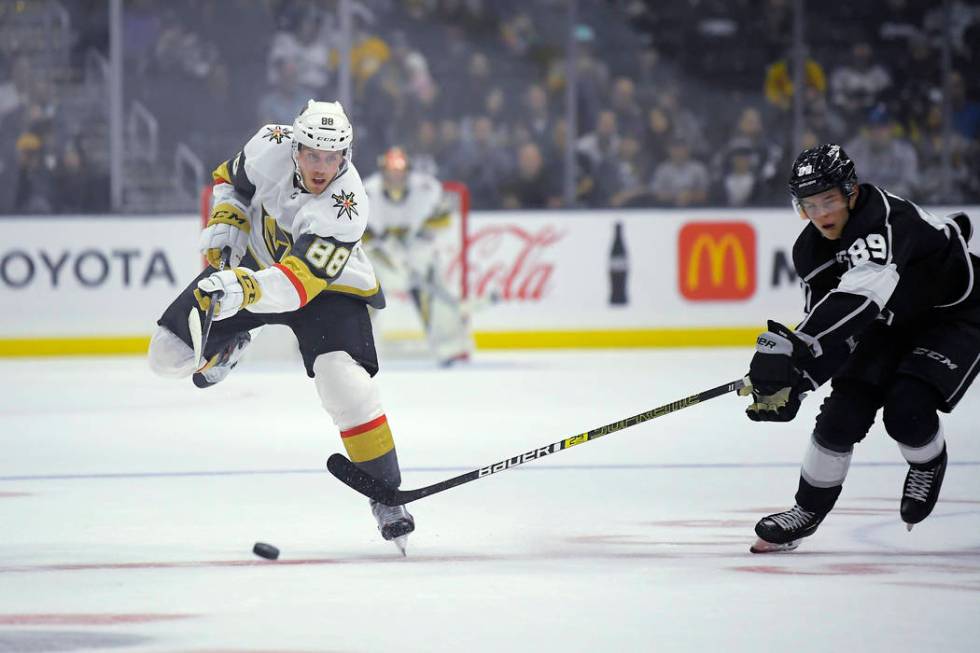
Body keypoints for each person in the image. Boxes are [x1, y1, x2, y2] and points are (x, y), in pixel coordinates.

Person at [146, 100, 415, 553]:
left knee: (344, 383)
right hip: (252, 268)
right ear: (295, 147)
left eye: (333, 157)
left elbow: (298, 287)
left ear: (346, 156)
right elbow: (230, 182)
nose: (322, 167)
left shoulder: (346, 206)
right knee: (166, 355)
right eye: (313, 154)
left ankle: (387, 498)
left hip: (327, 292)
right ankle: (231, 346)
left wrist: (243, 288)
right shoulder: (269, 143)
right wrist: (227, 220)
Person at [742, 143, 979, 553]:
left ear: (851, 190)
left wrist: (794, 349)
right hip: (887, 324)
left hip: (954, 316)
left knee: (907, 409)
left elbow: (861, 298)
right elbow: (833, 330)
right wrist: (796, 380)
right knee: (840, 416)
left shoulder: (882, 220)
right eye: (809, 206)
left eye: (829, 200)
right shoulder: (811, 252)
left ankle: (927, 462)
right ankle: (806, 510)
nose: (822, 215)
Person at [362, 146, 474, 366]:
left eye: (400, 169)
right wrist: (380, 245)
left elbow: (443, 220)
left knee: (430, 285)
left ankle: (450, 346)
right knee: (362, 289)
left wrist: (419, 236)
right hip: (380, 254)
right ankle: (350, 344)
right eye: (391, 169)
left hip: (415, 250)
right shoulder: (367, 191)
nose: (396, 175)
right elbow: (357, 230)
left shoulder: (427, 188)